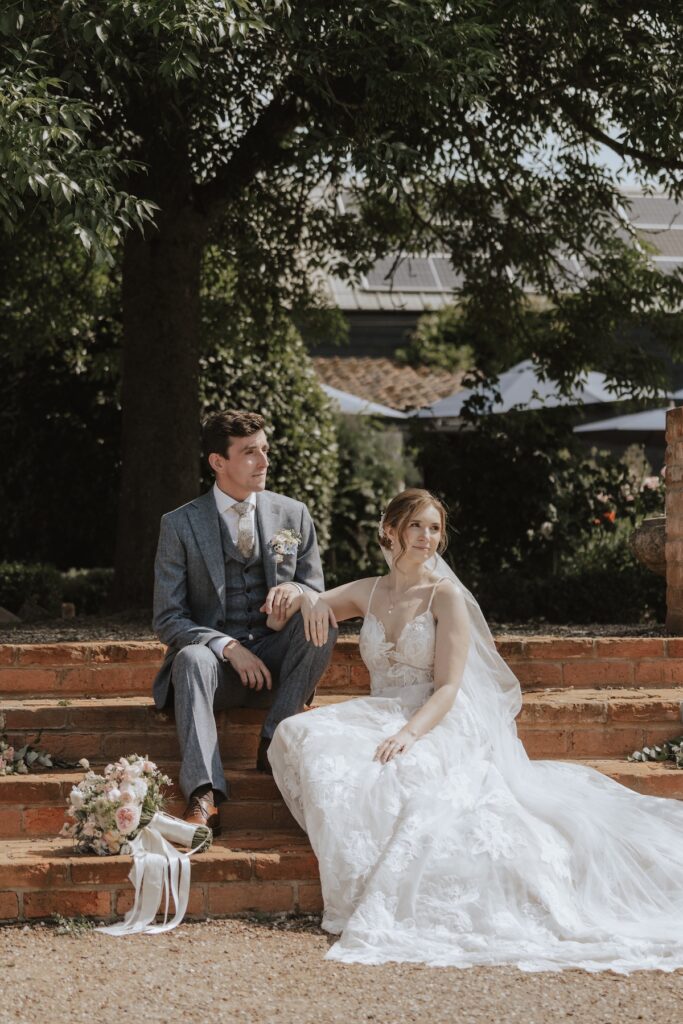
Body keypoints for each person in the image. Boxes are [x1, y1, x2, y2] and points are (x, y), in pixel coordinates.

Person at [268, 487, 683, 972]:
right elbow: (309, 604)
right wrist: (305, 595)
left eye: (435, 528)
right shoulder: (370, 590)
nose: (427, 537)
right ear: (391, 531)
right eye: (417, 526)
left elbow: (447, 688)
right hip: (383, 709)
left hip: (438, 715)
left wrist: (410, 734)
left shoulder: (445, 596)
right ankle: (356, 870)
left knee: (405, 774)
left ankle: (383, 885)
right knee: (299, 734)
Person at [152, 410, 336, 837]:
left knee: (322, 621)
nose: (264, 461)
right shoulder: (179, 524)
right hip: (215, 672)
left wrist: (299, 595)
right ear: (218, 461)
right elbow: (167, 618)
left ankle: (273, 744)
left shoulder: (294, 515)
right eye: (250, 452)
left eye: (265, 449)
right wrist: (226, 647)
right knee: (193, 659)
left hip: (275, 660)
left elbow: (316, 590)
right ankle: (203, 794)